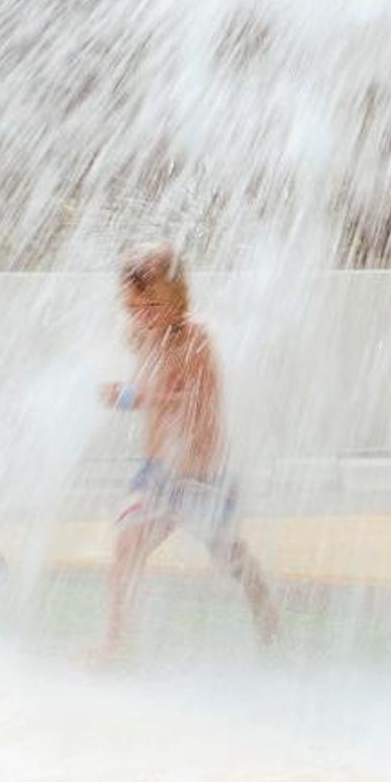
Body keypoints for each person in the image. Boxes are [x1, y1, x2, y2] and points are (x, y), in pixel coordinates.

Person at [98, 243, 279, 659]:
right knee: (127, 548)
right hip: (157, 474)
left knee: (227, 553)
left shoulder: (196, 341)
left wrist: (132, 396)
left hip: (203, 478)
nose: (142, 315)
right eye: (132, 306)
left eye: (152, 305)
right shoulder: (141, 335)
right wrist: (123, 391)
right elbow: (147, 385)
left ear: (180, 299)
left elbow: (189, 401)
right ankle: (117, 646)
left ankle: (264, 608)